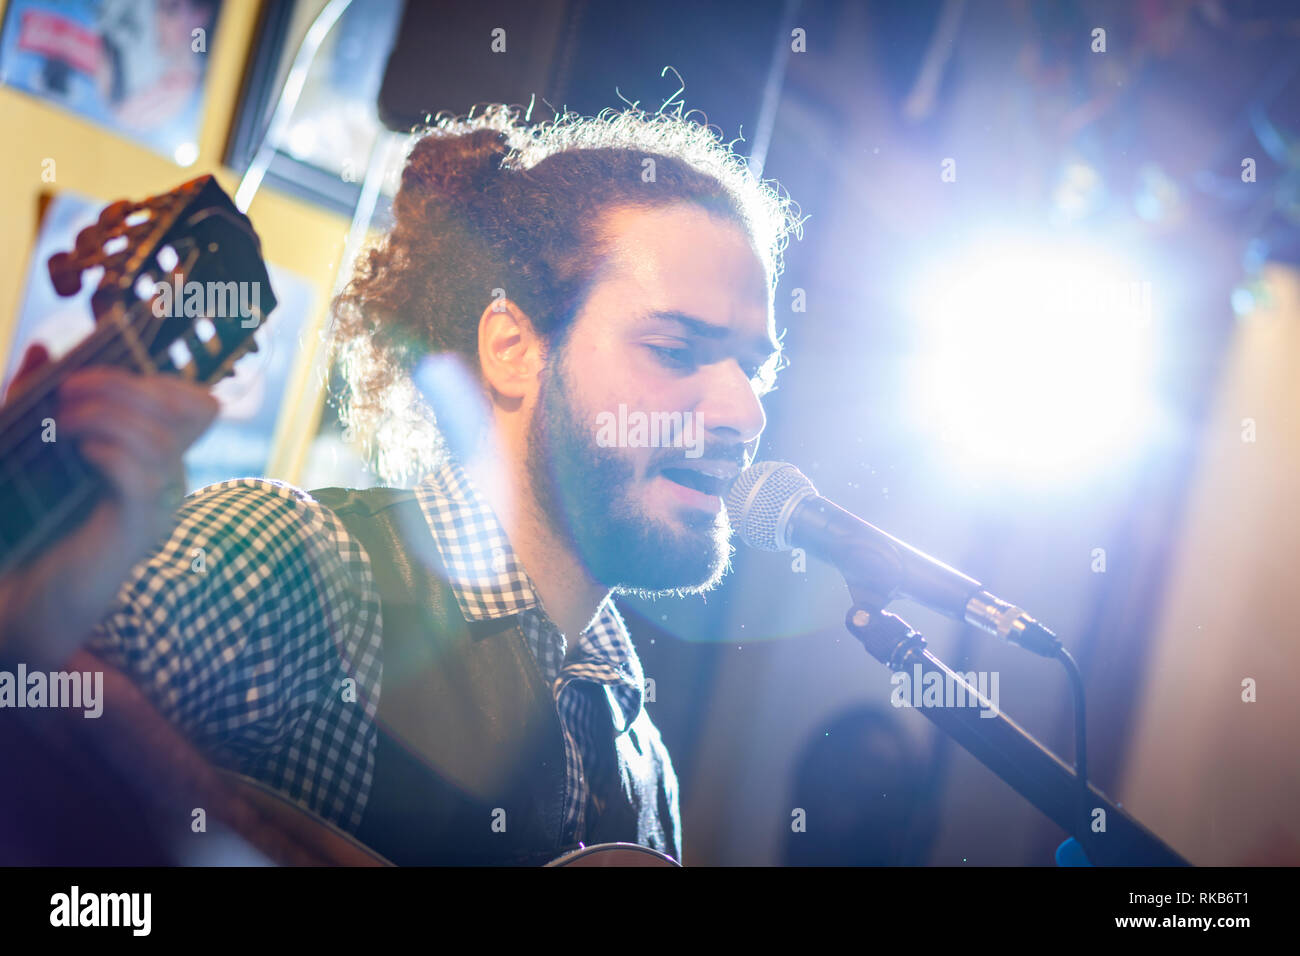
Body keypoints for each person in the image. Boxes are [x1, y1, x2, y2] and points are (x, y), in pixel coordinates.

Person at [76, 104, 803, 865]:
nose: (744, 412)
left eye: (753, 369)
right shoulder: (295, 568)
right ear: (513, 348)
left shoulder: (644, 767)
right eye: (675, 347)